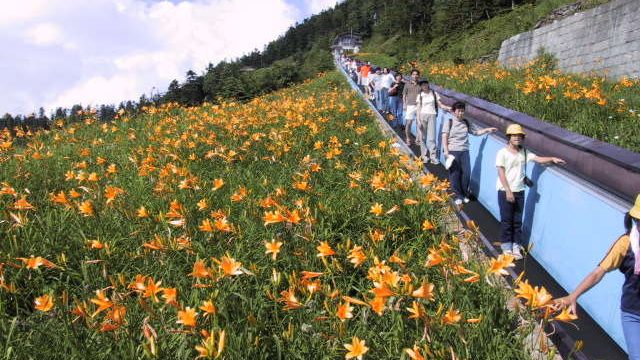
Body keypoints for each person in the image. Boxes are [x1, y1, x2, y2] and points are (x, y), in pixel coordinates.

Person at [554, 196, 640, 360]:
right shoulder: (626, 243)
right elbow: (598, 272)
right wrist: (573, 295)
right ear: (636, 219)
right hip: (634, 313)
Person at [496, 124, 565, 259]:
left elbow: (538, 159)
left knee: (517, 221)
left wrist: (552, 158)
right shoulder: (502, 153)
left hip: (520, 191)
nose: (517, 138)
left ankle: (516, 246)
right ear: (509, 137)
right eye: (514, 135)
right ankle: (506, 247)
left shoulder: (524, 152)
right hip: (505, 191)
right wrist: (508, 191)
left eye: (520, 136)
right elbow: (501, 173)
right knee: (506, 220)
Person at [442, 101, 497, 205]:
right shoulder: (449, 122)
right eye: (458, 111)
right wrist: (446, 151)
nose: (461, 113)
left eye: (462, 111)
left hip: (464, 151)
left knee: (466, 174)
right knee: (455, 174)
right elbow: (444, 137)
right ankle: (458, 195)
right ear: (454, 112)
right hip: (453, 151)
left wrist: (487, 130)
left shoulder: (466, 122)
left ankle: (464, 193)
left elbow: (476, 132)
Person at [416, 80, 448, 164]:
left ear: (428, 84)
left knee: (432, 137)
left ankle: (433, 156)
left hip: (432, 115)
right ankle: (424, 155)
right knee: (422, 136)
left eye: (425, 84)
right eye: (422, 85)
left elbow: (440, 104)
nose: (424, 86)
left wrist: (448, 108)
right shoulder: (420, 95)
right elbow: (418, 108)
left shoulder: (434, 93)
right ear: (421, 86)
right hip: (422, 116)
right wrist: (418, 120)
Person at [402, 69, 421, 145]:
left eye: (416, 74)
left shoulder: (421, 84)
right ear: (411, 75)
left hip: (419, 106)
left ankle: (417, 139)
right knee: (409, 123)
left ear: (419, 76)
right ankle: (408, 138)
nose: (415, 76)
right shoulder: (407, 84)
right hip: (410, 105)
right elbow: (404, 95)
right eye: (413, 74)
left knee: (418, 123)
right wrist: (404, 104)